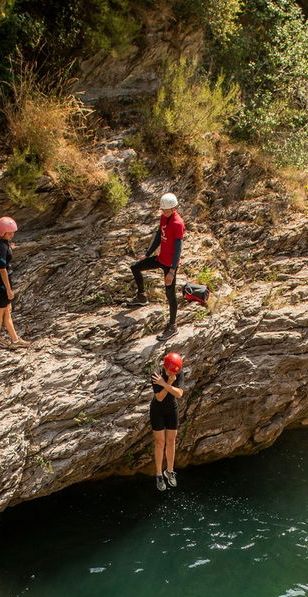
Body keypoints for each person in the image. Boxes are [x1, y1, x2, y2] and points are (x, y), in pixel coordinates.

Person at [128, 192, 185, 338]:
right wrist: (147, 254)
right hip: (160, 258)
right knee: (135, 267)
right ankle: (142, 296)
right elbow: (159, 236)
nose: (164, 212)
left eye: (167, 210)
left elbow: (178, 249)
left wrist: (172, 271)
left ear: (174, 208)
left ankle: (172, 326)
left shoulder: (178, 224)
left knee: (170, 295)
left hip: (170, 264)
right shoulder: (163, 218)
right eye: (163, 210)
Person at [0, 216, 29, 348]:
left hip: (2, 280)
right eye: (10, 233)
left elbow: (2, 247)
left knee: (7, 310)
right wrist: (8, 289)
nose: (12, 235)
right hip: (2, 281)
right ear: (3, 232)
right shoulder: (1, 246)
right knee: (1, 311)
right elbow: (2, 270)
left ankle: (15, 340)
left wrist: (9, 247)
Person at [150, 351, 185, 491]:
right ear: (166, 367)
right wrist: (168, 383)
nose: (173, 374)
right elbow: (159, 397)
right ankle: (159, 474)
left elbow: (179, 393)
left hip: (172, 409)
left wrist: (166, 383)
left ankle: (169, 471)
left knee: (171, 440)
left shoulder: (178, 373)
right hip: (157, 410)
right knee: (160, 442)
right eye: (170, 371)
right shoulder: (156, 373)